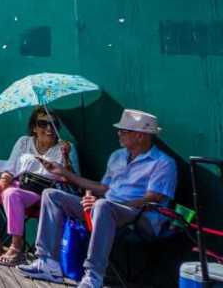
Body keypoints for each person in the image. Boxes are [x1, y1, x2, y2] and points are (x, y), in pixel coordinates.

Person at [19, 109, 177, 288]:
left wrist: (105, 203)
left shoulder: (163, 163)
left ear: (140, 136)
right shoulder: (117, 156)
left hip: (141, 217)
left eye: (123, 131)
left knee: (102, 205)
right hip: (106, 208)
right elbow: (102, 188)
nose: (118, 133)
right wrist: (63, 173)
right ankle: (48, 263)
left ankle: (94, 276)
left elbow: (151, 199)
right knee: (51, 195)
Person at [0, 107, 80, 266]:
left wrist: (66, 157)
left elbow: (74, 181)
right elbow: (11, 167)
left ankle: (16, 248)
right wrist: (3, 180)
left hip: (43, 193)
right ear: (34, 127)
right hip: (20, 183)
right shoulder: (24, 142)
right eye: (43, 124)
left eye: (54, 125)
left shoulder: (66, 147)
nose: (49, 128)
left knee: (11, 193)